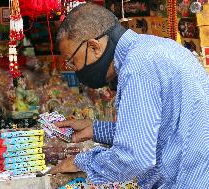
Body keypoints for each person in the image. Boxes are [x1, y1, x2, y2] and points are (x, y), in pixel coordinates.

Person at [47, 2, 209, 189]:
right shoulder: (157, 48)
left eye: (72, 62)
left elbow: (134, 157)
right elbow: (157, 131)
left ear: (94, 47)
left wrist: (81, 162)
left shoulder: (138, 65)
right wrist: (96, 129)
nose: (75, 69)